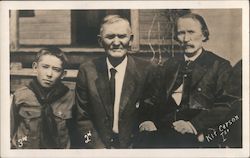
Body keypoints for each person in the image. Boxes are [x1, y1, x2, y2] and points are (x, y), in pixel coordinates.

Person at [138, 13, 237, 148]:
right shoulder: (168, 66)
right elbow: (150, 99)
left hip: (199, 135)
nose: (186, 39)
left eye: (191, 32)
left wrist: (194, 125)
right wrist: (147, 120)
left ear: (204, 34)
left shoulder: (219, 66)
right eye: (181, 33)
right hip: (163, 132)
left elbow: (226, 105)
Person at [74, 15, 156, 148]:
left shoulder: (146, 70)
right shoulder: (87, 71)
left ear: (131, 39)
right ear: (100, 41)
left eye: (122, 36)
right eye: (110, 37)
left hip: (135, 147)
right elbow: (83, 120)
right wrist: (98, 149)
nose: (116, 42)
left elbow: (151, 116)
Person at [10, 47, 75, 149]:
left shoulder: (71, 98)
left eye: (56, 70)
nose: (49, 74)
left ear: (63, 74)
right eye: (45, 67)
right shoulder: (21, 96)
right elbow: (9, 132)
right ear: (35, 67)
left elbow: (76, 134)